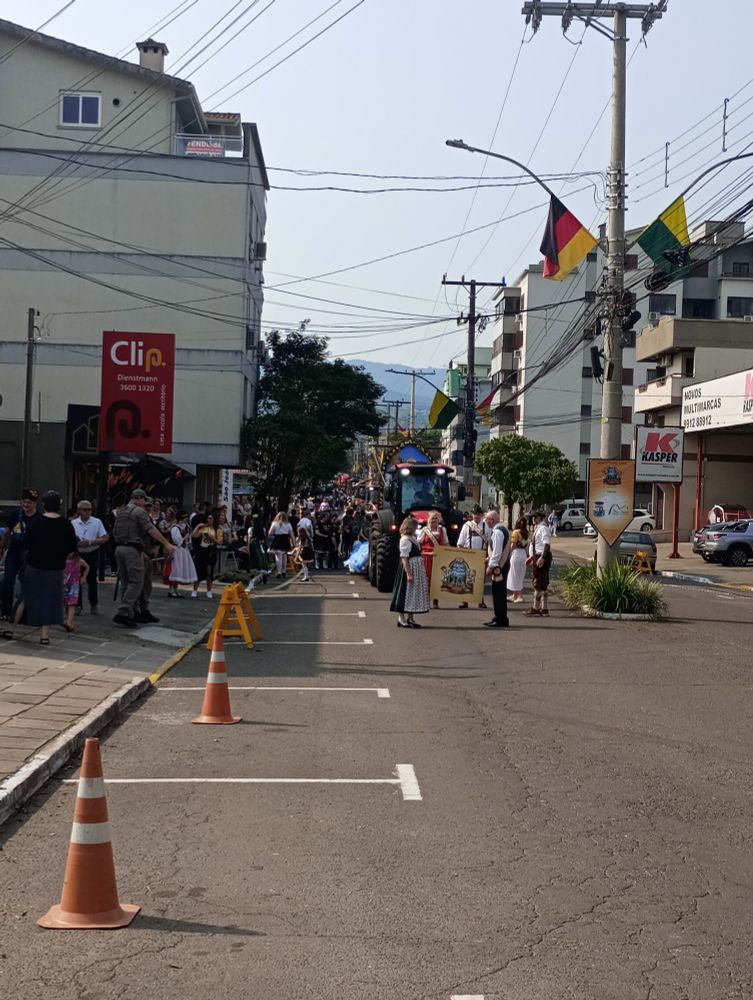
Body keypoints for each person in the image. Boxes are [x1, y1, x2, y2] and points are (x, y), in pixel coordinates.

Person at [3, 491, 77, 645]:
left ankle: (11, 628)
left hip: (35, 564)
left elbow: (26, 544)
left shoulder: (36, 523)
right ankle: (45, 635)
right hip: (56, 567)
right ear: (59, 506)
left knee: (25, 596)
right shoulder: (66, 524)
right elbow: (72, 547)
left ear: (43, 505)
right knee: (49, 599)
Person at [112, 489, 174, 627]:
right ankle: (124, 611)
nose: (145, 503)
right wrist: (166, 543)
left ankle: (133, 611)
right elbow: (150, 529)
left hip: (120, 548)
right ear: (138, 498)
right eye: (144, 500)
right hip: (133, 549)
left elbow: (115, 532)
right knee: (136, 582)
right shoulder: (138, 511)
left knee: (127, 582)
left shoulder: (121, 512)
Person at [1, 488, 40, 620]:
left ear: (35, 503)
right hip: (14, 552)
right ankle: (5, 611)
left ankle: (24, 613)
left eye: (29, 503)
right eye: (24, 502)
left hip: (29, 554)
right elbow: (7, 532)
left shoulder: (39, 518)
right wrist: (2, 548)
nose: (26, 505)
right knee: (8, 580)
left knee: (27, 583)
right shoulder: (15, 515)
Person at [390, 516, 430, 629]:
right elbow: (404, 557)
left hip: (416, 567)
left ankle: (410, 618)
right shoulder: (405, 540)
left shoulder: (411, 538)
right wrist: (408, 573)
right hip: (409, 568)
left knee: (412, 594)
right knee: (404, 593)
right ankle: (401, 619)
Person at [71, 500, 108, 615]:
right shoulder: (73, 523)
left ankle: (93, 604)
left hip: (92, 552)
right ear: (79, 511)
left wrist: (91, 542)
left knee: (92, 579)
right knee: (77, 580)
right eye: (85, 509)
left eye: (90, 509)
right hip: (78, 553)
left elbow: (104, 538)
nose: (88, 512)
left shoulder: (97, 522)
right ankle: (78, 605)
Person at [456, 505, 490, 610]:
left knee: (480, 579)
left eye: (478, 514)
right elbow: (461, 542)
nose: (476, 516)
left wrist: (489, 555)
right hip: (469, 554)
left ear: (481, 515)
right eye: (474, 514)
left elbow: (490, 542)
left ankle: (480, 600)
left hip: (481, 554)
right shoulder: (467, 525)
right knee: (466, 578)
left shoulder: (486, 526)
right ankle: (465, 600)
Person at [484, 510, 511, 628]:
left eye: (487, 519)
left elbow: (497, 551)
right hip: (501, 564)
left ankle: (501, 618)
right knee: (498, 592)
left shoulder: (498, 532)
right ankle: (499, 616)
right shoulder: (502, 529)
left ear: (492, 520)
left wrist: (491, 565)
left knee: (498, 593)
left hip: (499, 566)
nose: (486, 522)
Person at [417, 511, 449, 609]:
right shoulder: (424, 530)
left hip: (438, 558)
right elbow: (418, 544)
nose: (434, 520)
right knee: (426, 579)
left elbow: (445, 543)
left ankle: (435, 600)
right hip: (426, 557)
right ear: (428, 520)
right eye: (432, 518)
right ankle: (426, 601)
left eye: (436, 518)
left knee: (437, 580)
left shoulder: (442, 530)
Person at [526, 511, 553, 618]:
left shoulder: (543, 528)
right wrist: (531, 557)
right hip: (537, 556)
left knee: (539, 582)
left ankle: (537, 607)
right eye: (532, 517)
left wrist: (542, 557)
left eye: (535, 517)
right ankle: (542, 608)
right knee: (540, 581)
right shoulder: (538, 528)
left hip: (542, 556)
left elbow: (546, 544)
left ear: (540, 518)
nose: (533, 519)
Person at [168, 510, 197, 598]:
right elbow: (177, 541)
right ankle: (171, 590)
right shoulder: (175, 528)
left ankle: (176, 590)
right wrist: (185, 537)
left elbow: (189, 539)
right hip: (177, 550)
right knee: (175, 570)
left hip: (184, 551)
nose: (186, 519)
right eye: (184, 517)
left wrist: (188, 542)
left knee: (180, 570)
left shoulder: (186, 527)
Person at [191, 512, 221, 598]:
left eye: (211, 518)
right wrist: (198, 526)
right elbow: (194, 535)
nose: (209, 520)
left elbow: (219, 541)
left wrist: (211, 538)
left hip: (211, 551)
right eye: (208, 518)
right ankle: (194, 590)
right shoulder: (204, 528)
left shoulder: (218, 530)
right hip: (202, 551)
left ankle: (209, 591)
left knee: (209, 572)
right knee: (199, 571)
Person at [63, 551, 89, 633]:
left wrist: (83, 577)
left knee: (71, 603)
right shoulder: (63, 561)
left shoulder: (78, 561)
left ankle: (69, 622)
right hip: (65, 585)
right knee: (67, 603)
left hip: (74, 585)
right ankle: (70, 622)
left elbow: (87, 567)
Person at [507, 516, 530, 604]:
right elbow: (527, 546)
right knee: (520, 575)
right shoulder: (527, 533)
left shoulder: (516, 532)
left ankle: (519, 595)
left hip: (516, 554)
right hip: (523, 554)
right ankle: (515, 595)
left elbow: (513, 545)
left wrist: (509, 553)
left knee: (514, 574)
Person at [268, 511, 294, 578]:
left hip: (277, 539)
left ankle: (279, 571)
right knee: (284, 556)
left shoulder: (274, 523)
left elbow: (270, 532)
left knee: (278, 556)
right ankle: (284, 571)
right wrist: (294, 542)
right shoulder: (288, 524)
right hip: (285, 539)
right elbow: (291, 534)